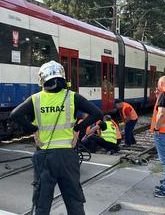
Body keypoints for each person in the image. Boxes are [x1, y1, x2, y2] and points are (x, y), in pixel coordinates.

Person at [10, 60, 103, 215]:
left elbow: (15, 115)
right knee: (74, 200)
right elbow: (97, 114)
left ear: (42, 80)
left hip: (45, 156)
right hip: (68, 155)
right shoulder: (73, 97)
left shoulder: (36, 99)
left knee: (42, 202)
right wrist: (77, 129)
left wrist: (34, 130)